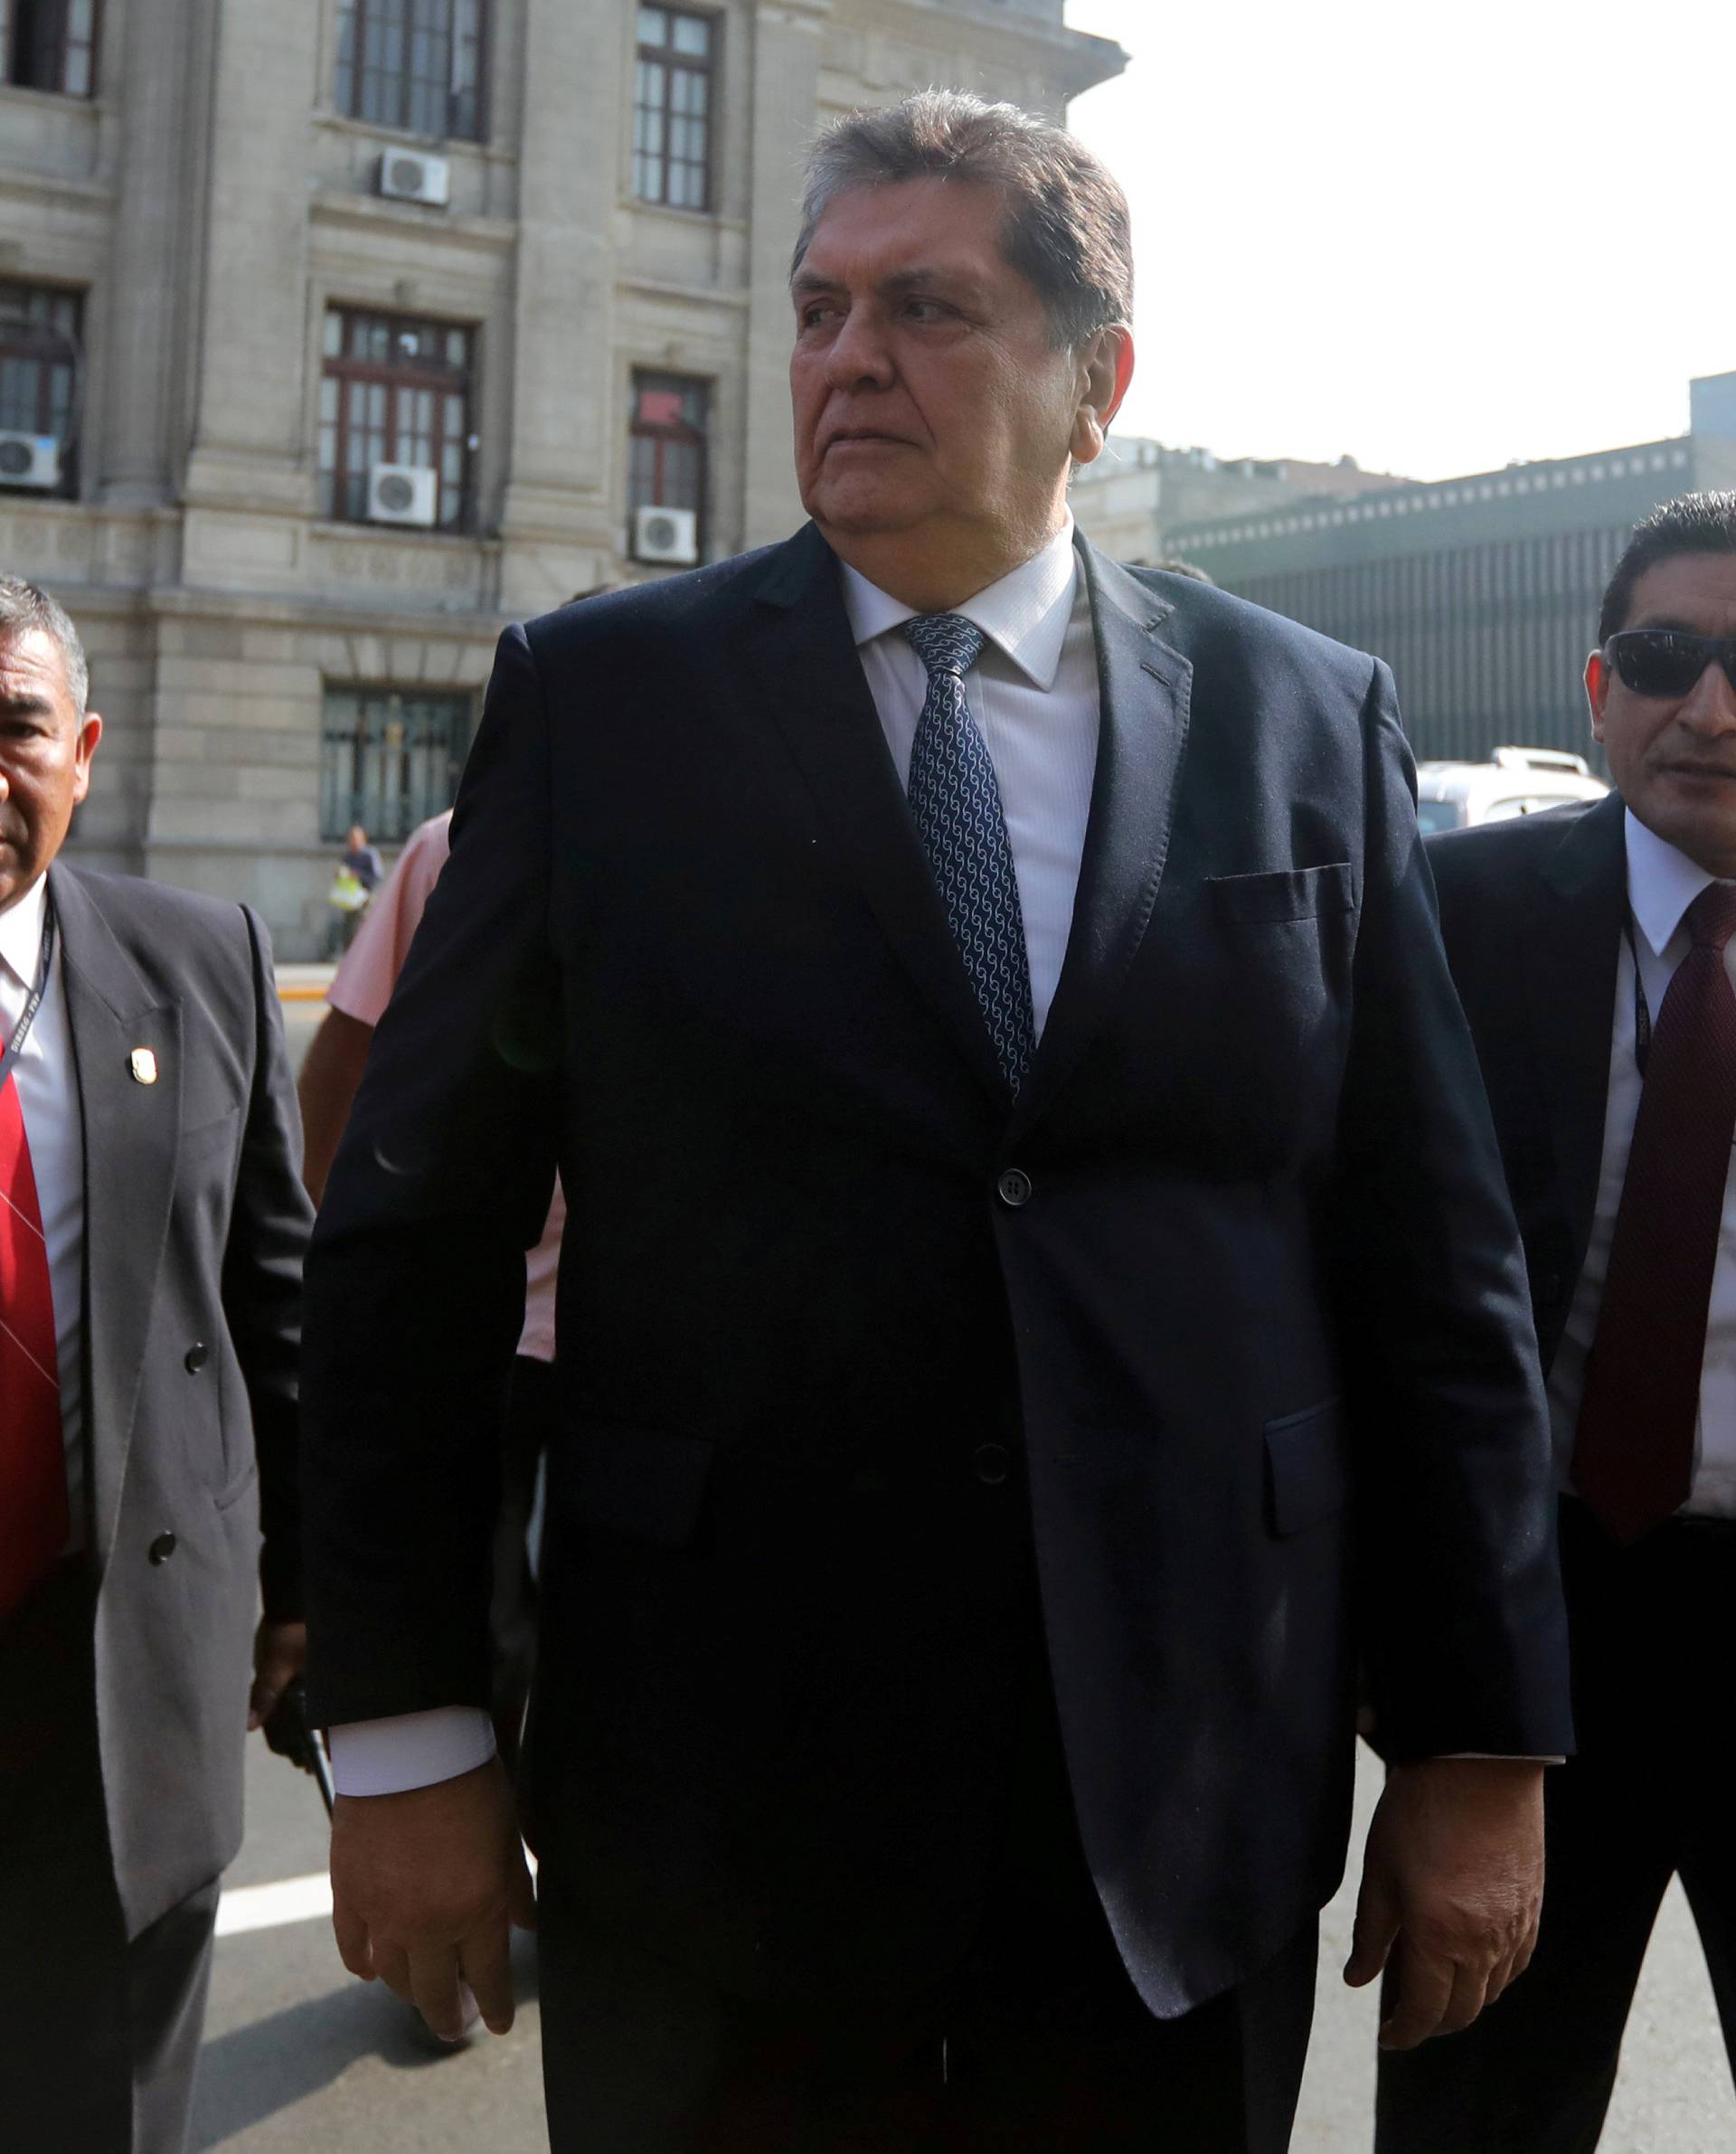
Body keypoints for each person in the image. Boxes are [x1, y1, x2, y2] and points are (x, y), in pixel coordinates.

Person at [300, 92, 1571, 2153]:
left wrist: (1478, 1742)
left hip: (1179, 1811)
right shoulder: (606, 709)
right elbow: (409, 1244)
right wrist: (405, 1725)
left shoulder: (1301, 716)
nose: (845, 359)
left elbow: (1435, 1269)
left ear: (1100, 382)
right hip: (721, 1814)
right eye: (816, 309)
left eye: (926, 307)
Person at [1376, 491, 1736, 2152]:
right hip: (1538, 1638)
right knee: (1482, 2117)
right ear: (1597, 689)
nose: (1712, 708)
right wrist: (1433, 1702)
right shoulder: (1450, 918)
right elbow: (1372, 1306)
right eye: (1667, 658)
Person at [0, 578, 311, 2151]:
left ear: (84, 752)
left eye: (15, 731)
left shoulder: (203, 968)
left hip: (121, 1678)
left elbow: (278, 1298)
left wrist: (314, 1595)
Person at [297, 806, 564, 1771]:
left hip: (657, 1343)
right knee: (477, 1644)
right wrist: (365, 1275)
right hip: (486, 1339)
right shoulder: (459, 845)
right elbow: (342, 1066)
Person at [326, 821, 383, 955]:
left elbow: (377, 876)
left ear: (362, 839)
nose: (353, 842)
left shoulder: (369, 855)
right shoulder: (348, 856)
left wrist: (358, 875)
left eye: (355, 839)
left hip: (365, 897)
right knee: (348, 930)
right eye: (350, 839)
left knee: (362, 927)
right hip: (349, 899)